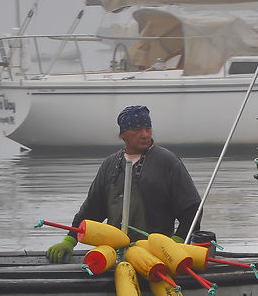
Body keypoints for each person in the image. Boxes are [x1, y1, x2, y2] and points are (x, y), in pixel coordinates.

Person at [46, 105, 202, 263]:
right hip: (114, 255)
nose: (144, 135)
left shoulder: (167, 162)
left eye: (148, 129)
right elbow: (92, 210)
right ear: (123, 135)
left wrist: (177, 241)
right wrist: (70, 240)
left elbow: (192, 209)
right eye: (137, 130)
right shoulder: (110, 165)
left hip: (155, 257)